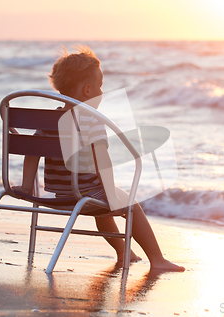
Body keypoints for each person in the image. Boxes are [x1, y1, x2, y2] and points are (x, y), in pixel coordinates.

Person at [13, 46, 184, 272]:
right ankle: (157, 259)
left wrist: (27, 185)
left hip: (61, 193)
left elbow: (32, 151)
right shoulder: (92, 121)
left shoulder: (49, 120)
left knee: (103, 208)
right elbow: (103, 160)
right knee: (130, 205)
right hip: (84, 193)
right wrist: (111, 194)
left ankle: (124, 252)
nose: (102, 92)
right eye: (100, 87)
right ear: (87, 89)